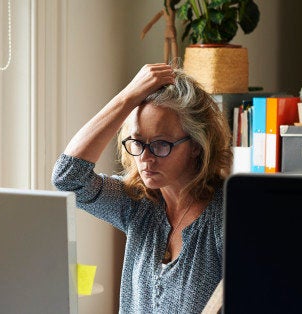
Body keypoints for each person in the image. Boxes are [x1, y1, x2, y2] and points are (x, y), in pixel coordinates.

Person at [51, 63, 232, 313]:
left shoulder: (226, 216)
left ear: (197, 146)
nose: (145, 158)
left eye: (161, 144)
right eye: (137, 142)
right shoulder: (138, 205)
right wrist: (128, 96)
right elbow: (68, 178)